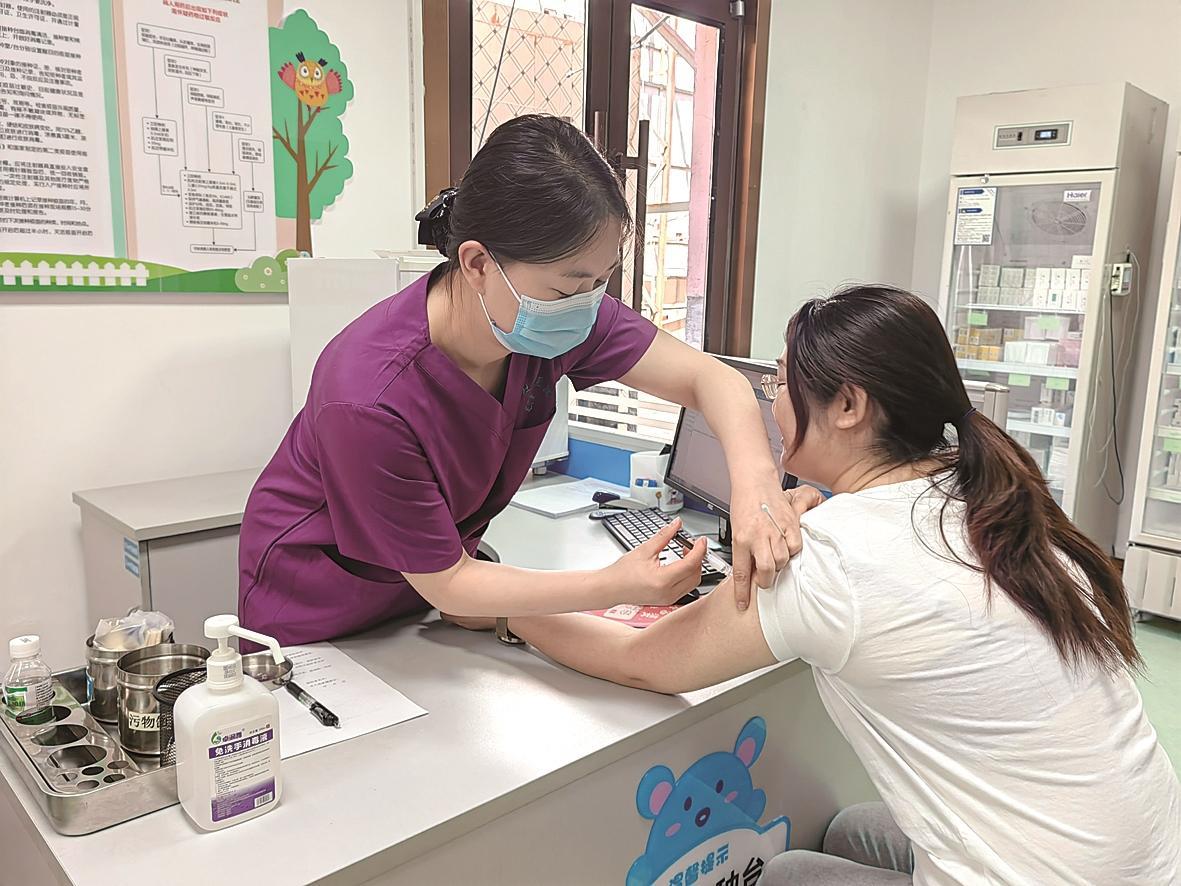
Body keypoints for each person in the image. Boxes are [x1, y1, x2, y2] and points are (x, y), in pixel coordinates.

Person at [485, 286, 1181, 884]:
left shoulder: (837, 559)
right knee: (850, 829)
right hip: (1149, 862)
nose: (772, 403)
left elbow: (644, 663)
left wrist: (502, 610)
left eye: (779, 383)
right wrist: (824, 513)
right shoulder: (991, 501)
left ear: (847, 405)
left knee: (788, 872)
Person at [238, 114, 802, 646]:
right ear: (478, 264)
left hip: (423, 597)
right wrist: (615, 585)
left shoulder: (549, 319)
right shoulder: (368, 396)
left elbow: (710, 379)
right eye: (567, 288)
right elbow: (450, 583)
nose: (586, 304)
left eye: (601, 282)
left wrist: (756, 488)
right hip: (316, 613)